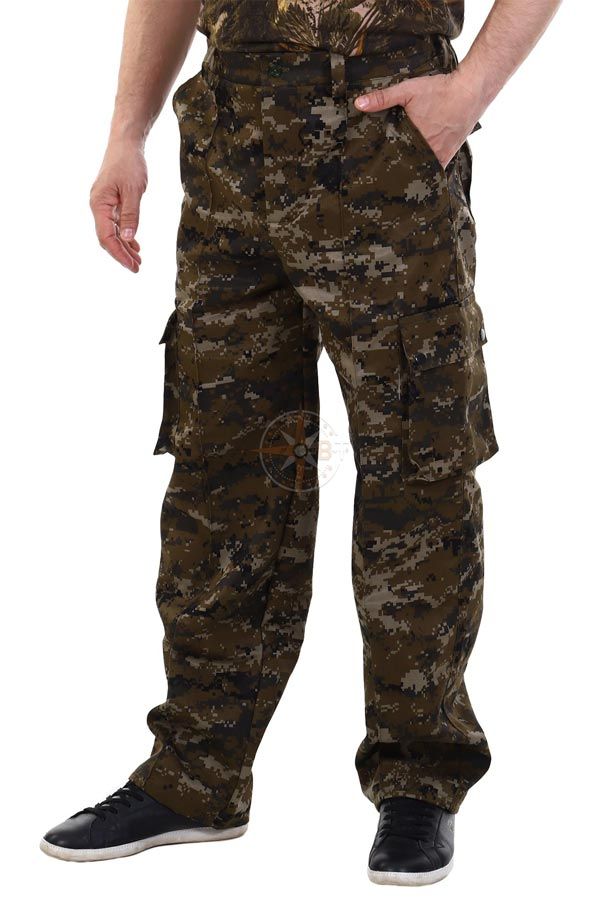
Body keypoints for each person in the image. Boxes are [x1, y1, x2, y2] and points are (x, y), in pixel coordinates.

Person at [40, 0, 561, 884]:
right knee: (221, 472)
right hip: (230, 156)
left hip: (387, 147)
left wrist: (470, 90)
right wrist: (126, 135)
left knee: (415, 466)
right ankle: (196, 778)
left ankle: (419, 779)